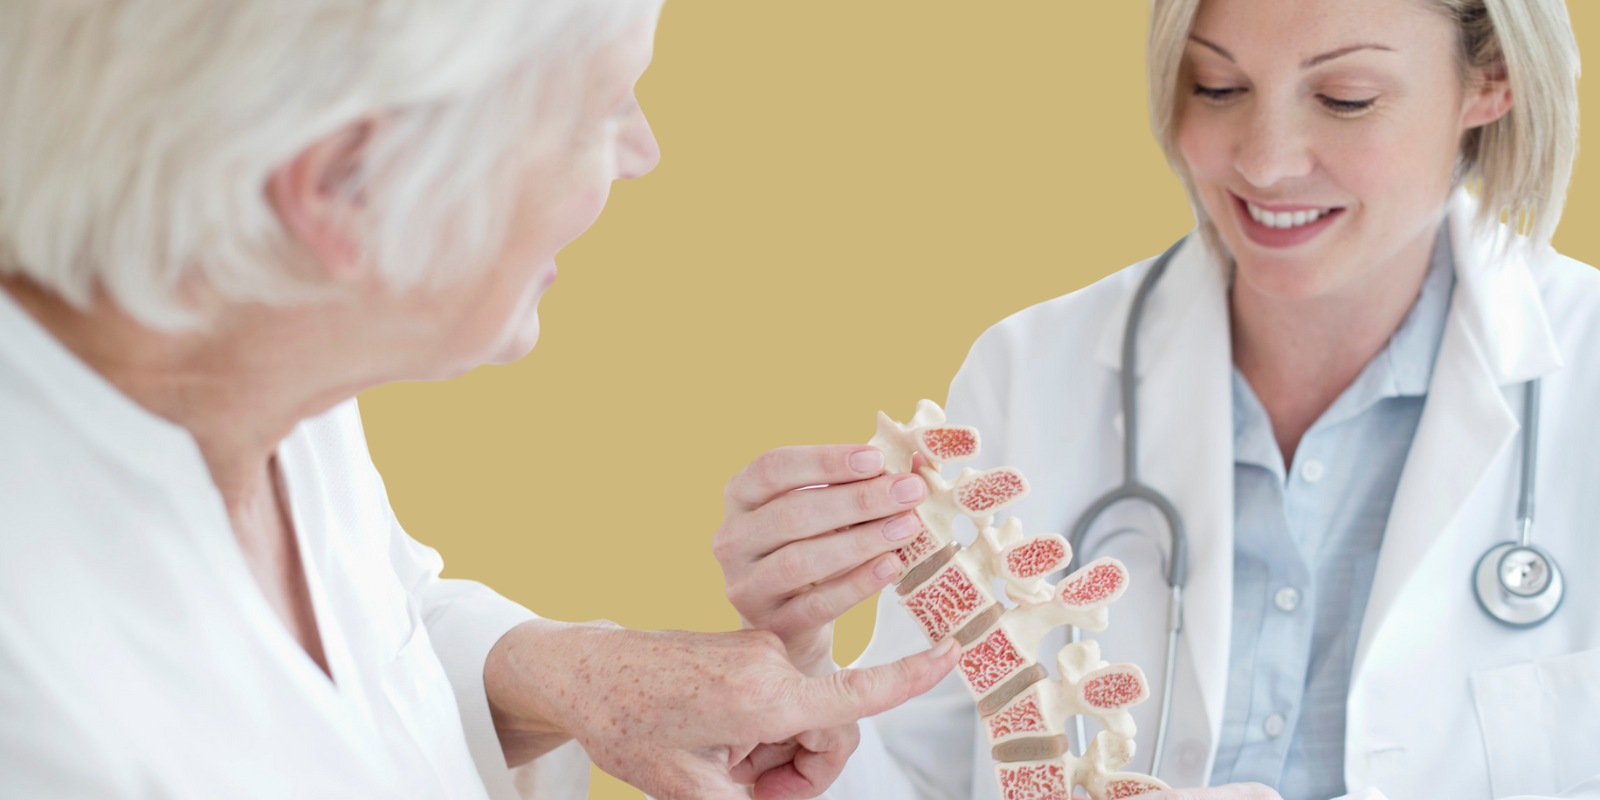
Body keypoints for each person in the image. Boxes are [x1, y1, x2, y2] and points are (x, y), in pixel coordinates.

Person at [0, 2, 961, 799]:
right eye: (597, 113)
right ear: (342, 185)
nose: (642, 151)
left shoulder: (249, 344)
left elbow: (372, 635)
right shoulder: (44, 714)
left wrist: (563, 674)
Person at [714, 1, 1600, 798]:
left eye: (1346, 98)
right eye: (1217, 86)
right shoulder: (1030, 373)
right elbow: (912, 776)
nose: (1264, 159)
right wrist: (807, 685)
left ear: (1491, 82)